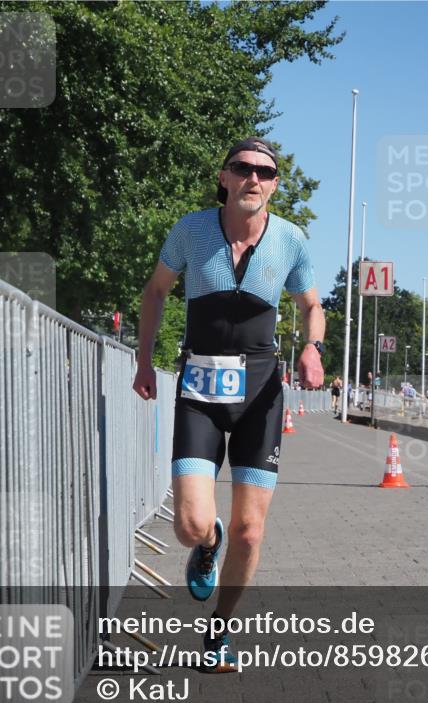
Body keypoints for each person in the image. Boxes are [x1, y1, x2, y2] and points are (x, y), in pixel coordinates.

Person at [133, 137, 324, 671]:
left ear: (275, 185)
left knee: (251, 530)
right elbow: (155, 291)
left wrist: (312, 348)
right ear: (224, 177)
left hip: (260, 395)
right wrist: (144, 362)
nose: (253, 178)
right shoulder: (192, 230)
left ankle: (220, 631)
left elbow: (312, 304)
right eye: (242, 168)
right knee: (189, 525)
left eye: (265, 172)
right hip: (200, 390)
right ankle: (207, 543)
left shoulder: (290, 240)